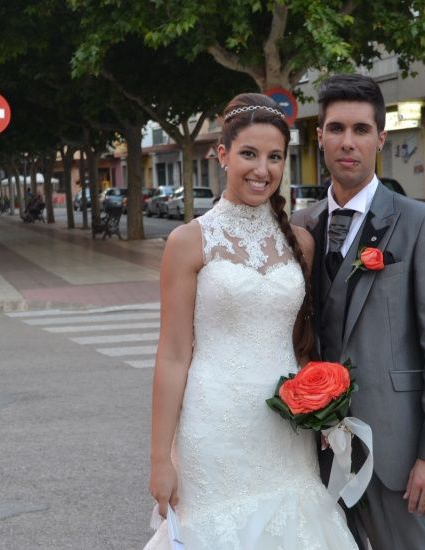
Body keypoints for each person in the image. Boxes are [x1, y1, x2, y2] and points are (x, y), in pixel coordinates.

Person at [144, 93, 358, 549]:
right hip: (213, 425)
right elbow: (173, 354)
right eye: (248, 154)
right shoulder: (188, 241)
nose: (262, 169)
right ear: (221, 155)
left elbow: (303, 344)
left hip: (284, 429)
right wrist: (160, 457)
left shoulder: (300, 242)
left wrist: (322, 410)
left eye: (274, 157)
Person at [291, 73, 425, 550]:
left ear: (380, 139)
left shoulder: (421, 224)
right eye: (336, 128)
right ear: (320, 136)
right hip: (313, 451)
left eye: (361, 130)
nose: (348, 142)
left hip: (396, 453)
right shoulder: (299, 227)